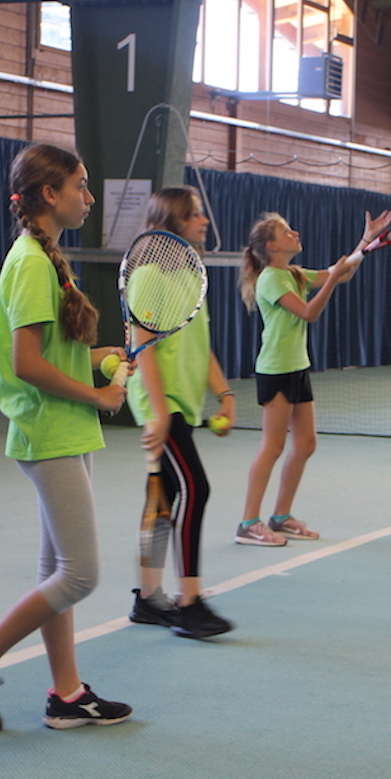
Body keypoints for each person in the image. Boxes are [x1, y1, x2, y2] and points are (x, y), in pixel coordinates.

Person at [0, 143, 133, 731]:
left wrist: (103, 358)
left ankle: (67, 694)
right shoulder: (29, 262)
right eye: (81, 185)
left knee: (57, 571)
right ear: (49, 194)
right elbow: (25, 364)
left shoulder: (50, 259)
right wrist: (98, 396)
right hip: (48, 430)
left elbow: (56, 354)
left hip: (66, 429)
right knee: (80, 575)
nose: (89, 197)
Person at [234, 209, 389, 546]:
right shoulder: (271, 278)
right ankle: (248, 523)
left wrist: (367, 239)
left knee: (305, 443)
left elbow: (342, 272)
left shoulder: (293, 273)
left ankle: (280, 517)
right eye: (287, 231)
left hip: (298, 367)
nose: (295, 233)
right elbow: (309, 312)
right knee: (273, 446)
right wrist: (332, 279)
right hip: (276, 369)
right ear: (272, 246)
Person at [123, 187, 238, 639]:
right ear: (173, 221)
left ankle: (149, 599)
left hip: (182, 403)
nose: (204, 220)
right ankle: (189, 601)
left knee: (164, 496)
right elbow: (142, 345)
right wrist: (157, 412)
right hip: (162, 401)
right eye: (194, 214)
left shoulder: (192, 276)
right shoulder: (148, 275)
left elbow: (200, 345)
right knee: (196, 487)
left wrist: (224, 393)